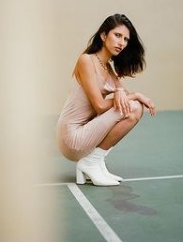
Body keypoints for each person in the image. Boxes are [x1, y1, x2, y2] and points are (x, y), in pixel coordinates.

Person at [56, 13, 156, 186]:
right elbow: (101, 106)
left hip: (87, 131)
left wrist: (121, 92)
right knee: (134, 106)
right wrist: (135, 94)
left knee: (133, 108)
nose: (121, 43)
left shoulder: (108, 68)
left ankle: (96, 162)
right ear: (103, 35)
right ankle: (90, 162)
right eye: (117, 35)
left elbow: (123, 97)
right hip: (71, 136)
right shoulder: (86, 60)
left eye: (125, 39)